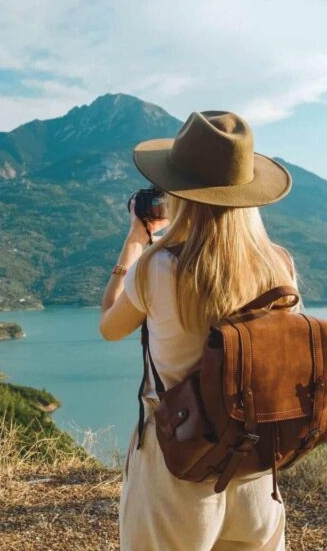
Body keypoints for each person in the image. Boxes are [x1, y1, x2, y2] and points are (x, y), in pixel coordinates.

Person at [99, 110, 303, 551]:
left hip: (178, 465)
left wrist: (136, 241)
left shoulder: (159, 267)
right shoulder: (279, 266)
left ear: (178, 191)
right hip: (254, 467)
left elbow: (110, 325)